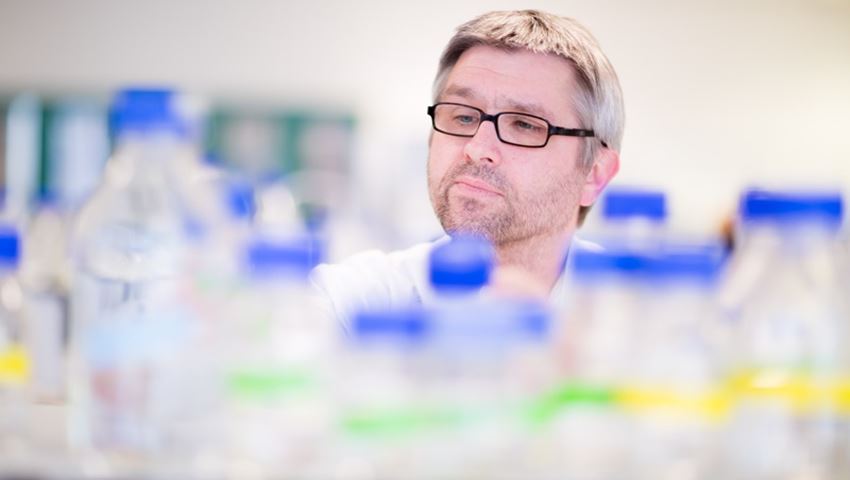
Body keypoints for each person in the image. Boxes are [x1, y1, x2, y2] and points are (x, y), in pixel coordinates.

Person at [311, 9, 623, 328]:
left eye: (525, 125)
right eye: (463, 117)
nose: (477, 149)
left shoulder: (633, 319)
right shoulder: (354, 301)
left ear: (594, 174)